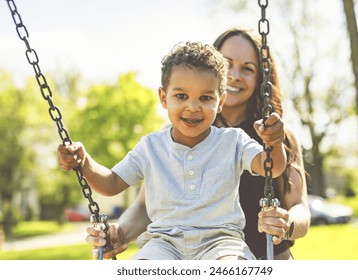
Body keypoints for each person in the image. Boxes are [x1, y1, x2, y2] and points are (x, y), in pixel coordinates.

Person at [85, 28, 310, 260]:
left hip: (250, 255)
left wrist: (286, 223)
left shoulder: (275, 136)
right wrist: (119, 234)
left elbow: (300, 207)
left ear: (261, 77)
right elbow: (143, 207)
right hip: (176, 253)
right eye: (227, 64)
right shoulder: (171, 139)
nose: (234, 75)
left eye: (248, 68)